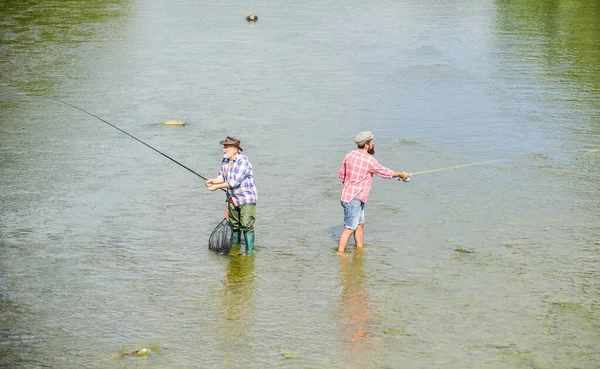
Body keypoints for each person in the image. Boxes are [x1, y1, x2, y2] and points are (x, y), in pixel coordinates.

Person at [337, 131, 410, 253]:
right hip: (353, 199)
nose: (373, 144)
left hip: (352, 197)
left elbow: (341, 176)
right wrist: (401, 174)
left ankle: (359, 249)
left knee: (359, 225)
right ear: (366, 145)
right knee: (349, 228)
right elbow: (385, 173)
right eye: (371, 142)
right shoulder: (369, 160)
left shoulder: (349, 155)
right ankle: (340, 254)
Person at [206, 136, 258, 254]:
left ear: (235, 149)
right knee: (234, 225)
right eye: (223, 147)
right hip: (232, 199)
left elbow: (234, 182)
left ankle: (250, 252)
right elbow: (222, 177)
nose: (223, 149)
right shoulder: (225, 161)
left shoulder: (243, 162)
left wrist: (217, 187)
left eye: (226, 147)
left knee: (246, 225)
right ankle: (236, 249)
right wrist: (213, 181)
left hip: (246, 199)